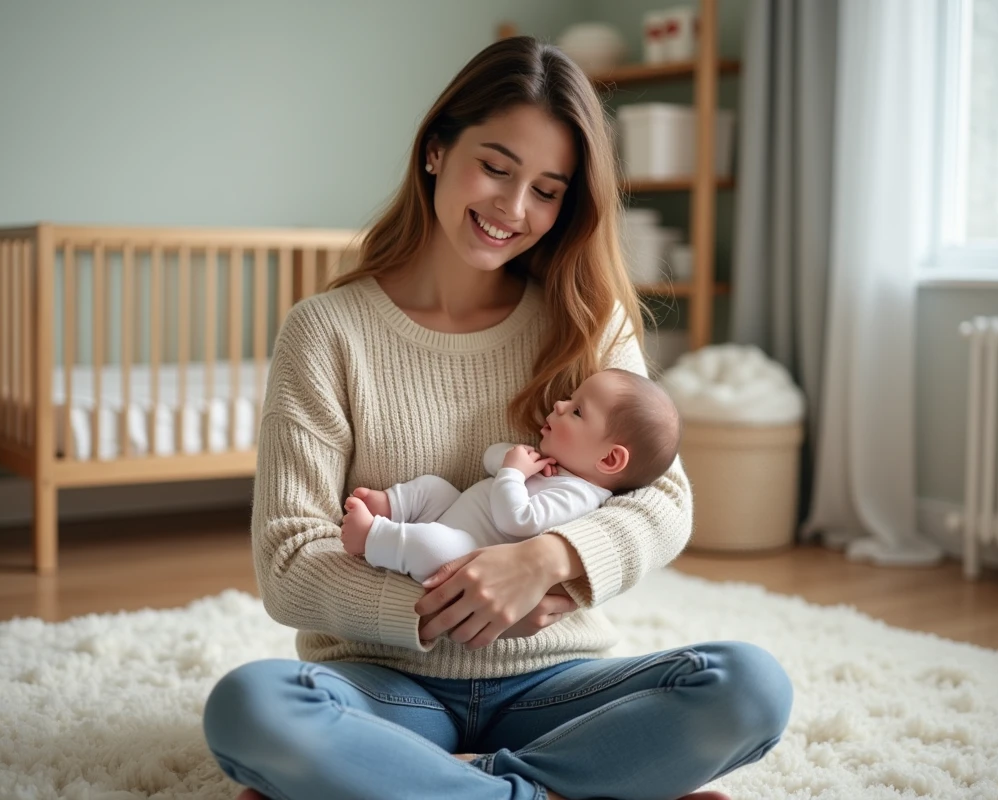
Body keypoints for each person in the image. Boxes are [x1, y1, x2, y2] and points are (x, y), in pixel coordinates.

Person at [202, 35, 792, 800]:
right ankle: (559, 791)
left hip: (554, 686)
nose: (514, 210)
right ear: (436, 151)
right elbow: (288, 563)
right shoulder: (325, 332)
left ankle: (425, 790)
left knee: (750, 687)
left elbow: (665, 501)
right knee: (252, 709)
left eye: (547, 190)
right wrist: (461, 599)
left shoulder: (587, 320)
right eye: (497, 167)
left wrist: (544, 563)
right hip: (386, 688)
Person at [339, 368, 683, 586]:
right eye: (571, 398)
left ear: (609, 458)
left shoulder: (579, 497)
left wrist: (513, 473)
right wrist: (511, 461)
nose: (561, 404)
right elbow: (492, 460)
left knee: (434, 544)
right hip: (457, 513)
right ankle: (391, 505)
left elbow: (518, 520)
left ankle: (372, 538)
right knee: (435, 487)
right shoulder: (555, 463)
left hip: (468, 552)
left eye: (577, 411)